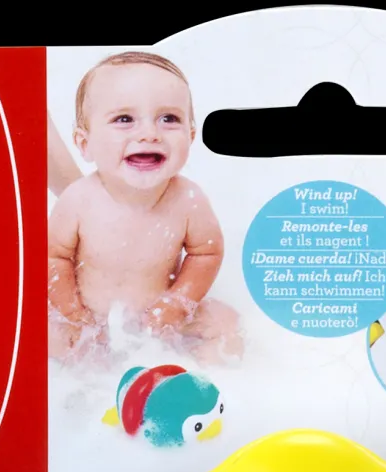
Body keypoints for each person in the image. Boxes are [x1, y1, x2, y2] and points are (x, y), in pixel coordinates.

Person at [47, 52, 243, 364]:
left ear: (191, 136)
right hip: (88, 319)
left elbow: (206, 253)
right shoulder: (78, 199)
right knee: (41, 336)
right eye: (124, 119)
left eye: (169, 119)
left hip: (159, 320)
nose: (150, 133)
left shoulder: (188, 199)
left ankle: (195, 379)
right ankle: (82, 387)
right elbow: (53, 257)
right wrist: (72, 314)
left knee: (228, 325)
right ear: (85, 143)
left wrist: (177, 303)